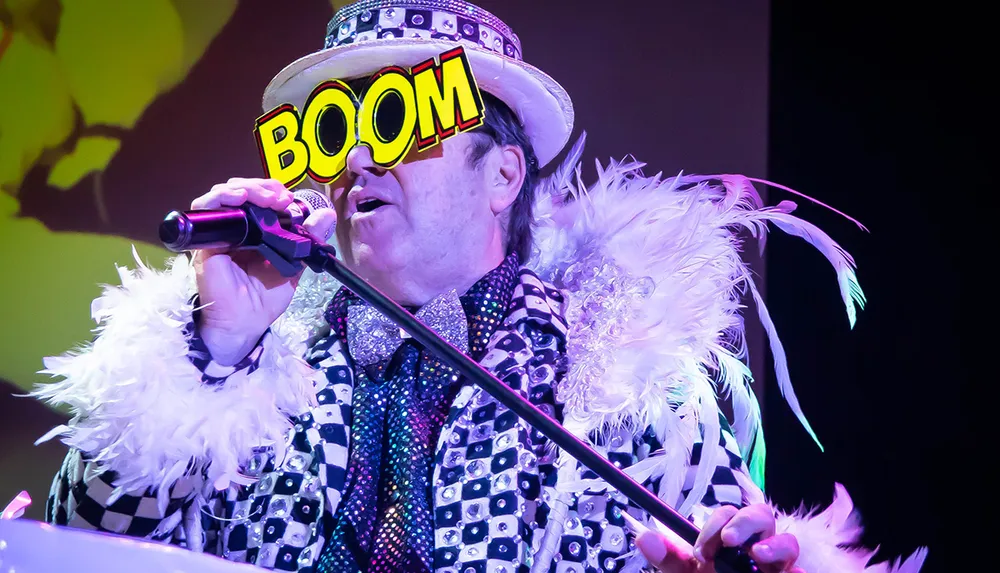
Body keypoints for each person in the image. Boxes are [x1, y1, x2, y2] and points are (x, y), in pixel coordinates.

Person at [32, 1, 927, 572]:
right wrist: (214, 348)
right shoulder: (240, 361)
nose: (349, 161)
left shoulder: (625, 381)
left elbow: (732, 553)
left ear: (503, 175)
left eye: (395, 120)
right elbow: (78, 548)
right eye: (328, 130)